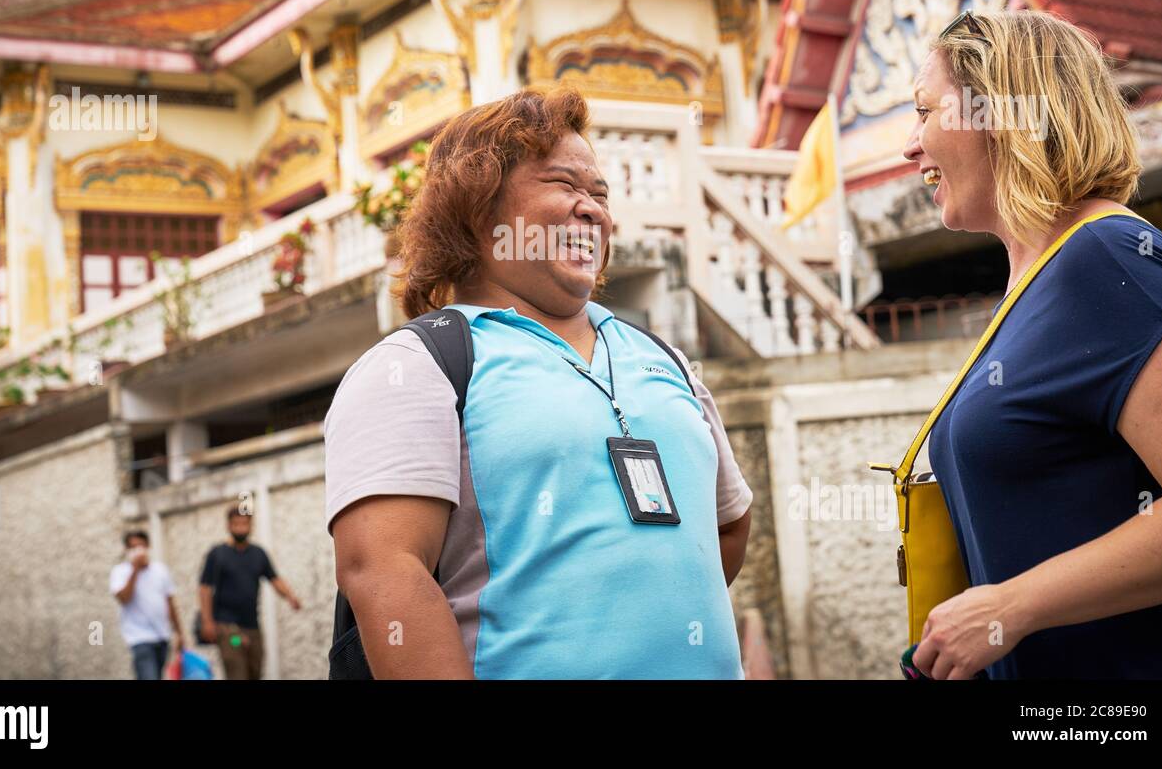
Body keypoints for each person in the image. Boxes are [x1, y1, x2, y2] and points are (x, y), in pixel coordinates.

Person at [323, 87, 756, 679]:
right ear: (477, 208)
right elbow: (385, 572)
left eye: (599, 194)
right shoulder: (419, 366)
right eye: (565, 186)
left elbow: (727, 527)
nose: (593, 209)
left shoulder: (664, 358)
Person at [901, 9, 1162, 678]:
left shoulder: (1112, 259)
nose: (909, 145)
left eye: (924, 112)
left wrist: (1012, 606)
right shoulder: (1039, 281)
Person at [198, 508, 302, 680]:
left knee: (255, 672)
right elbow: (205, 588)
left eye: (244, 524)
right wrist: (207, 621)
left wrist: (290, 596)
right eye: (236, 524)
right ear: (229, 525)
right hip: (228, 631)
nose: (241, 528)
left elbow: (274, 579)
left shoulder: (258, 554)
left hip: (252, 629)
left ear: (251, 525)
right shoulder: (217, 554)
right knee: (237, 672)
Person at [110, 530, 184, 680]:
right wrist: (135, 571)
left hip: (162, 636)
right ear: (127, 550)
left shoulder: (160, 570)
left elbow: (169, 603)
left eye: (141, 546)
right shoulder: (120, 572)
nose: (138, 551)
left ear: (148, 546)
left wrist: (179, 633)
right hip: (139, 638)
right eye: (133, 547)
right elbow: (124, 598)